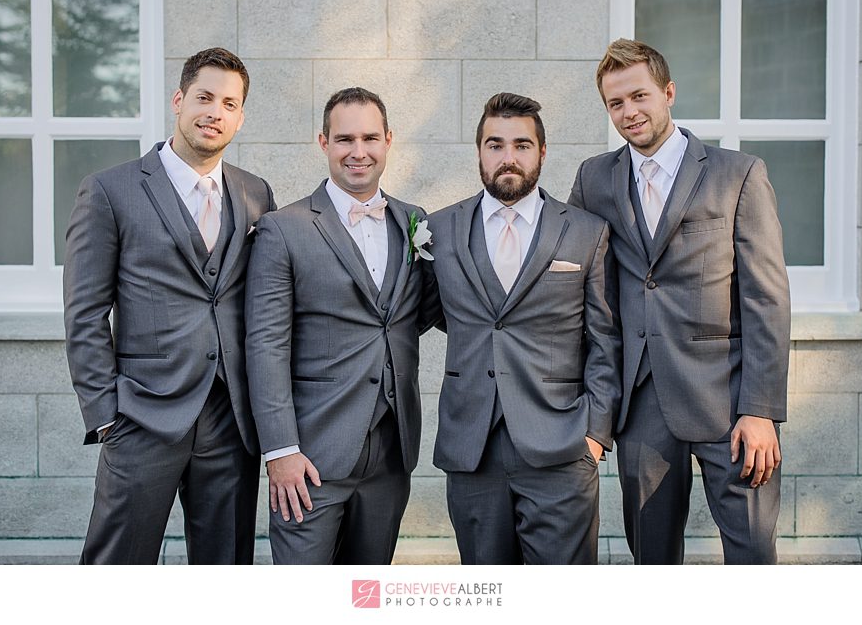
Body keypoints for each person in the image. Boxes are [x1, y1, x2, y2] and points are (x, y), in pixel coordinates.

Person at [568, 38, 791, 564]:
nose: (629, 112)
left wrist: (760, 410)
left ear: (668, 93)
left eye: (639, 96)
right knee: (652, 562)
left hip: (730, 400)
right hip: (641, 403)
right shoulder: (593, 179)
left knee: (752, 558)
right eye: (615, 103)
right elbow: (577, 290)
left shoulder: (738, 174)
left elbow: (767, 299)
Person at [63, 47, 276, 564]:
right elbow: (85, 313)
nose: (215, 112)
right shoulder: (111, 191)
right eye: (204, 97)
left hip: (231, 419)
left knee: (224, 571)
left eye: (229, 103)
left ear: (240, 116)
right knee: (119, 567)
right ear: (179, 100)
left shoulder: (255, 193)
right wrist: (106, 414)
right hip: (141, 415)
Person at [245, 87, 438, 564]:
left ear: (389, 141)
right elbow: (266, 345)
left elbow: (424, 312)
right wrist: (281, 450)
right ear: (323, 143)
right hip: (311, 456)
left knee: (366, 595)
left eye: (370, 137)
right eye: (345, 139)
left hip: (391, 454)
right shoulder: (283, 228)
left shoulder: (413, 221)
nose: (358, 151)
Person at [425, 92, 620, 564]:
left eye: (521, 145)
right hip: (472, 448)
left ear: (542, 152)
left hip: (561, 448)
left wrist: (594, 434)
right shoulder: (439, 229)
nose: (508, 158)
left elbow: (605, 340)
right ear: (479, 151)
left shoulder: (585, 231)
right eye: (495, 145)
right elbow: (431, 311)